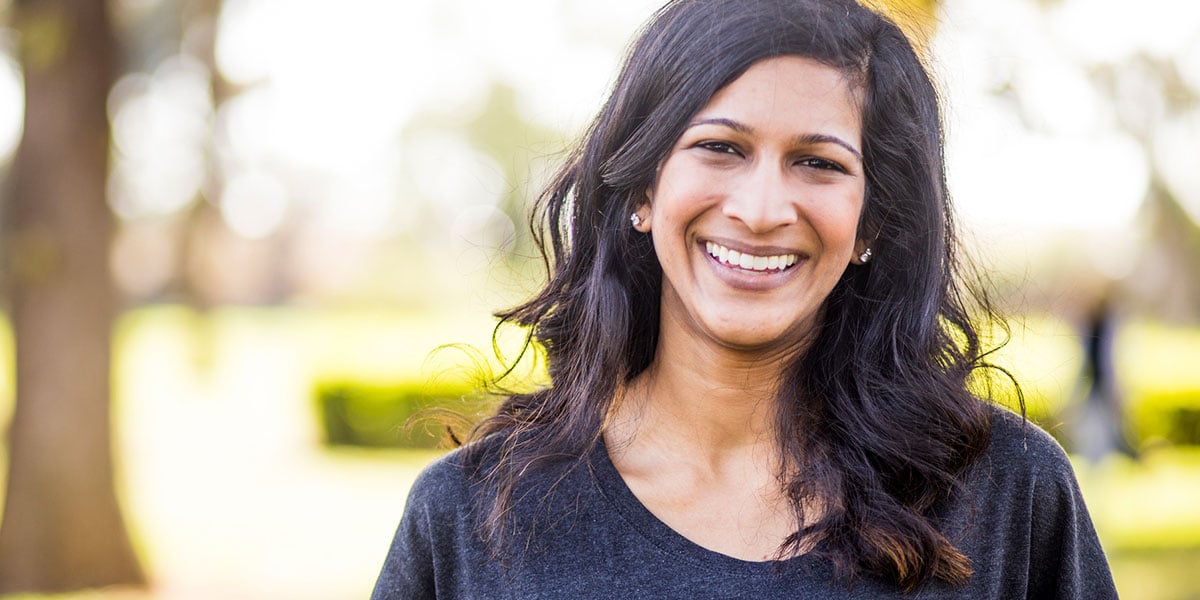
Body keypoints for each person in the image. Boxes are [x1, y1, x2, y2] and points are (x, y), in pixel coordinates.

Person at [372, 0, 1119, 597]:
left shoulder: (1008, 495)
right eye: (720, 147)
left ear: (874, 221)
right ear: (641, 185)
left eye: (817, 162)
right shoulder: (473, 515)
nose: (762, 208)